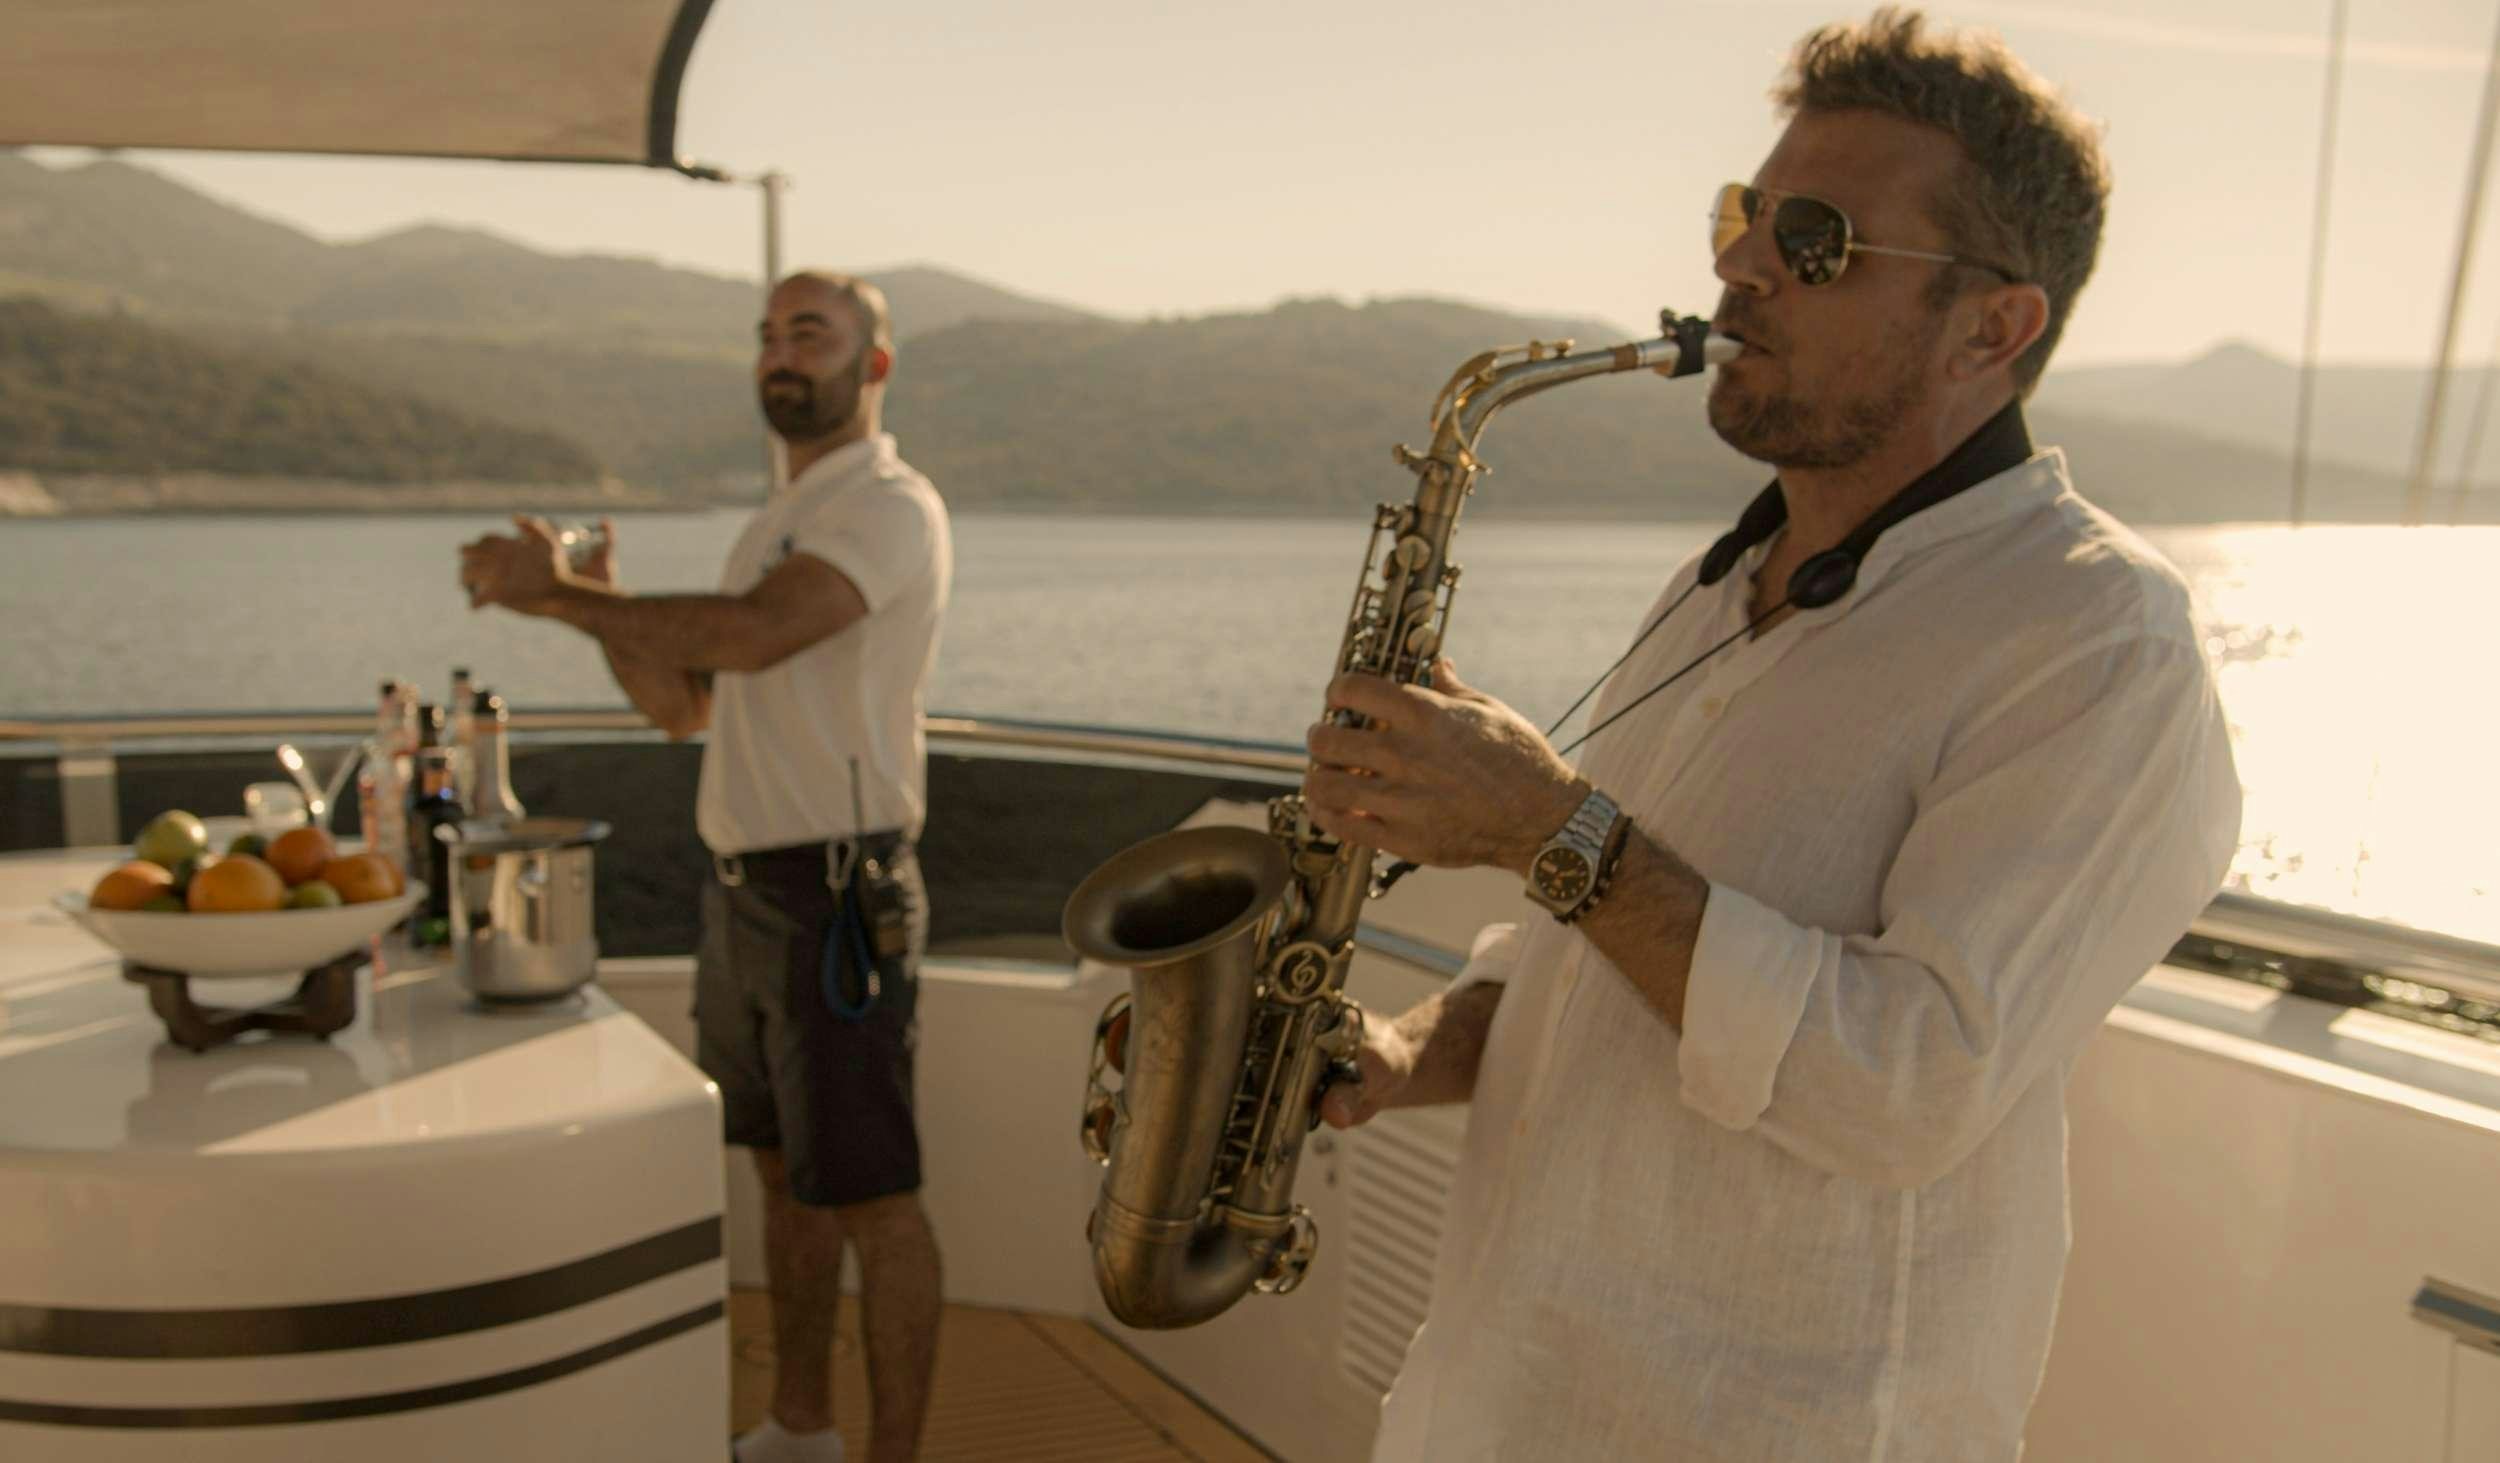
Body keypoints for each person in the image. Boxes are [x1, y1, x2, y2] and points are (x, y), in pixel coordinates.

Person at [1303, 11, 2241, 1459]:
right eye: (1743, 214)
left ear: (1994, 327)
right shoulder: (1714, 587)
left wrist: (1546, 824)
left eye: (1814, 236)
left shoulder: (2097, 640)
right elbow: (1589, 944)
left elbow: (1907, 1082)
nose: (1737, 263)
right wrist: (1409, 1044)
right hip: (1502, 1399)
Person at [460, 270, 952, 1463]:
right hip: (745, 895)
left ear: (873, 367)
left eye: (814, 333)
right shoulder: (774, 521)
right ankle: (798, 1426)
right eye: (771, 334)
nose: (784, 353)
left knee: (875, 1201)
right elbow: (683, 705)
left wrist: (554, 593)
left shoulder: (886, 505)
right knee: (783, 1176)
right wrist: (593, 605)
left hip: (838, 897)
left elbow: (749, 634)